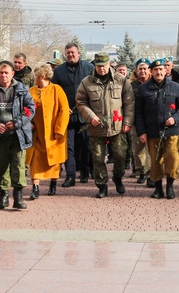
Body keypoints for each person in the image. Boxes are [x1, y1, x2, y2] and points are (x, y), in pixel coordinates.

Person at [76, 52, 135, 198]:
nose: (101, 69)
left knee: (120, 155)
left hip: (117, 126)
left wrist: (127, 122)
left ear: (109, 64)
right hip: (97, 127)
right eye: (98, 66)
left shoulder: (121, 80)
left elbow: (129, 102)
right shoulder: (87, 82)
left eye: (104, 66)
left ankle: (118, 177)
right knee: (97, 157)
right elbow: (81, 101)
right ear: (95, 66)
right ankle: (102, 185)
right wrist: (90, 117)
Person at [0, 60, 35, 210]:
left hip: (18, 134)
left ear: (12, 74)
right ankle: (3, 195)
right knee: (1, 165)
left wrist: (17, 122)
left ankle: (18, 196)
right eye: (1, 73)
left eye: (6, 73)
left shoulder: (22, 89)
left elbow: (30, 109)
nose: (3, 75)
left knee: (18, 164)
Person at [135, 58, 179, 199]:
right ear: (151, 72)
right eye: (155, 70)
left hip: (171, 131)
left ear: (165, 71)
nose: (159, 72)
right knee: (155, 161)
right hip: (152, 131)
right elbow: (138, 112)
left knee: (172, 157)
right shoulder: (143, 89)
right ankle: (158, 188)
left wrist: (175, 118)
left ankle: (170, 185)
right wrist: (141, 132)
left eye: (161, 69)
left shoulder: (175, 87)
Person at [51, 42, 93, 187]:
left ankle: (85, 172)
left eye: (72, 52)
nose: (70, 55)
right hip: (67, 116)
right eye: (68, 53)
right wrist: (61, 107)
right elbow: (54, 91)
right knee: (69, 147)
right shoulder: (59, 71)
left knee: (86, 145)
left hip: (85, 115)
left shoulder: (89, 68)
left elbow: (95, 90)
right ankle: (70, 176)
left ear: (78, 53)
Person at [27, 64, 69, 198]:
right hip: (36, 133)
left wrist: (59, 130)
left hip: (53, 134)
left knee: (53, 161)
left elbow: (64, 110)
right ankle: (35, 188)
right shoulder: (31, 91)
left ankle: (53, 184)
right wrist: (28, 123)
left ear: (42, 76)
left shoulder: (57, 89)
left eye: (36, 75)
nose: (34, 78)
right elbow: (25, 109)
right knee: (35, 160)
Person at [129, 59, 152, 185]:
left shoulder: (153, 84)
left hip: (151, 121)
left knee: (151, 150)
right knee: (138, 150)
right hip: (136, 122)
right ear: (136, 71)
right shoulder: (131, 86)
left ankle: (150, 174)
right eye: (140, 69)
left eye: (145, 68)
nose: (142, 71)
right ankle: (143, 171)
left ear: (149, 70)